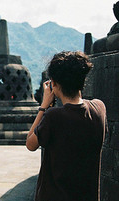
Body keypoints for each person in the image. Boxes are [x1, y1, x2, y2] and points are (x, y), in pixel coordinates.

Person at [26, 51, 107, 201]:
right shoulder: (99, 108)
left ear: (54, 83)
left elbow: (30, 143)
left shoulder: (53, 116)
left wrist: (43, 106)